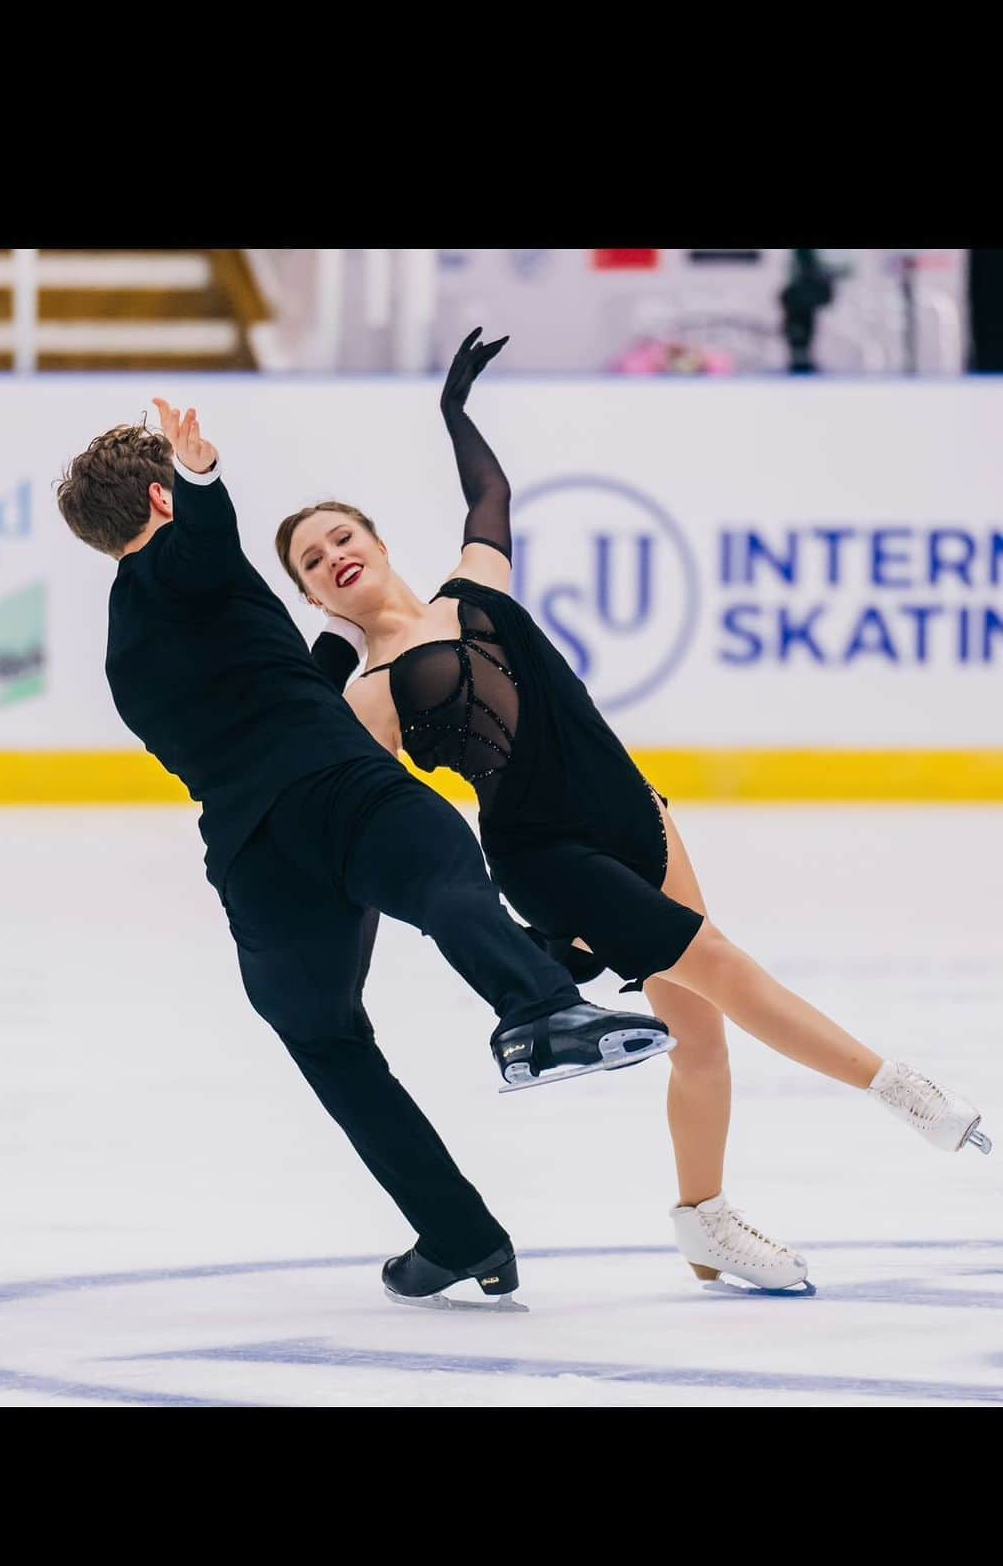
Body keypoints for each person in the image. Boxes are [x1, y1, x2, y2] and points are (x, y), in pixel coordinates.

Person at [281, 329, 992, 1295]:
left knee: (700, 1033)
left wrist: (455, 418)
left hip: (636, 811)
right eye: (314, 562)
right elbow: (341, 790)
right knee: (725, 966)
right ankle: (900, 1090)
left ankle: (704, 1223)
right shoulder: (367, 695)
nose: (335, 558)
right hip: (547, 851)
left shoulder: (473, 586)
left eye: (341, 538)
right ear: (314, 594)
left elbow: (490, 499)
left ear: (374, 540)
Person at [56, 400, 674, 1312]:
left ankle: (459, 1233)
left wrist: (343, 637)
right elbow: (198, 549)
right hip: (341, 792)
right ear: (156, 498)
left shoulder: (125, 650)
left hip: (255, 861)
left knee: (326, 1038)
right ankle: (542, 1008)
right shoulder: (187, 555)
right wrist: (200, 476)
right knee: (444, 876)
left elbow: (268, 680)